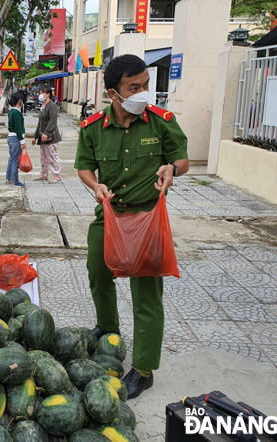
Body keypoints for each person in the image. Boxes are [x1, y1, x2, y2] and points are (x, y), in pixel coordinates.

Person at [74, 54, 189, 399]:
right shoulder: (93, 126)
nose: (143, 93)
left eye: (145, 85)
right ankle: (109, 329)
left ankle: (143, 368)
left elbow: (181, 159)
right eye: (134, 88)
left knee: (147, 296)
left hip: (148, 219)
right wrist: (95, 186)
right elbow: (84, 166)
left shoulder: (160, 120)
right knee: (98, 271)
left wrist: (173, 170)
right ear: (113, 93)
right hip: (110, 216)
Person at [32, 85, 63, 184]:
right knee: (43, 157)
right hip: (42, 136)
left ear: (48, 94)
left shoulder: (52, 105)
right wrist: (35, 136)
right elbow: (40, 122)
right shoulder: (42, 106)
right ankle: (44, 174)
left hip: (51, 136)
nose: (40, 95)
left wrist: (46, 133)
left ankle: (57, 175)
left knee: (53, 156)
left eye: (42, 93)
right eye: (40, 93)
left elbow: (52, 121)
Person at [6, 92, 26, 186]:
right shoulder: (17, 113)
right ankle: (15, 180)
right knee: (15, 160)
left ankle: (9, 177)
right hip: (15, 138)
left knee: (11, 158)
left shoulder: (11, 111)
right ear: (20, 101)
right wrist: (22, 141)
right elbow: (18, 128)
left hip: (10, 137)